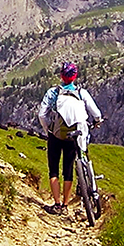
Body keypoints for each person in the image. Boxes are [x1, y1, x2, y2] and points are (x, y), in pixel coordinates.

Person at [36, 61, 103, 214]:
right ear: (75, 76)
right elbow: (96, 114)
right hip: (74, 136)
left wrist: (49, 130)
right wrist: (97, 121)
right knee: (68, 170)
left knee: (53, 170)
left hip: (56, 134)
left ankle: (57, 204)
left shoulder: (53, 92)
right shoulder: (81, 92)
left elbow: (42, 114)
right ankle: (66, 205)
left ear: (61, 75)